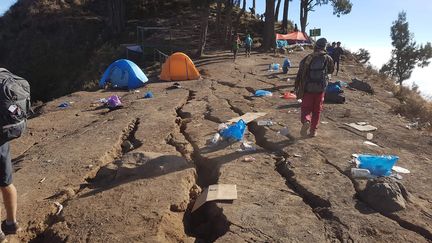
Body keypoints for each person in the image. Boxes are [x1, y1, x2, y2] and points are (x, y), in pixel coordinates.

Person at [294, 38, 334, 137]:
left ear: (315, 46)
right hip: (320, 89)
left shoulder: (308, 58)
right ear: (324, 47)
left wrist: (297, 86)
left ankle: (306, 120)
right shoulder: (328, 58)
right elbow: (331, 71)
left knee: (306, 108)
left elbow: (300, 73)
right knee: (317, 111)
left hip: (308, 88)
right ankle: (313, 131)